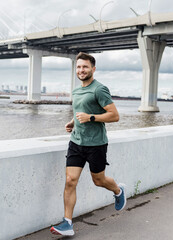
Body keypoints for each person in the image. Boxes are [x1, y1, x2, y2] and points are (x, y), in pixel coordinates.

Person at [50, 52, 126, 236]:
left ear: (93, 69)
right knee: (70, 181)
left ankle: (118, 190)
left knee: (98, 180)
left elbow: (115, 116)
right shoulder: (76, 90)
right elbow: (80, 112)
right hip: (76, 142)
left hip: (96, 144)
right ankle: (67, 223)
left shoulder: (99, 89)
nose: (81, 70)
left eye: (85, 67)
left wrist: (91, 117)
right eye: (78, 67)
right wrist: (73, 122)